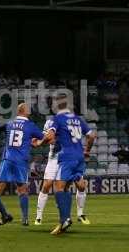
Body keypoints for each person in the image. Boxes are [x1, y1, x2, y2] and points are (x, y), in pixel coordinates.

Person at [0, 103, 45, 226]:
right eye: (28, 109)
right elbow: (43, 138)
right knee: (22, 190)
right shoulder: (30, 125)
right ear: (24, 111)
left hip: (7, 159)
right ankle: (25, 219)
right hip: (21, 161)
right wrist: (36, 142)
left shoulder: (10, 123)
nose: (30, 110)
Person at [46, 95, 96, 235]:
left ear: (57, 105)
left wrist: (39, 143)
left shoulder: (57, 119)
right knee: (67, 187)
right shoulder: (78, 119)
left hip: (67, 157)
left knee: (58, 187)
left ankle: (65, 219)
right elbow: (92, 136)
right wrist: (87, 150)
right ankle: (64, 223)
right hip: (79, 156)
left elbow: (50, 137)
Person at [35, 118, 91, 226]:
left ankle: (80, 214)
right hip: (54, 158)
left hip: (69, 158)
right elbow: (47, 139)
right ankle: (39, 216)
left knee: (81, 186)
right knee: (47, 185)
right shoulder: (50, 122)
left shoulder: (72, 122)